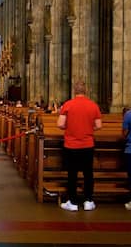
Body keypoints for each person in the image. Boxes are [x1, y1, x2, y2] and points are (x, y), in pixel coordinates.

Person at [56, 81, 102, 212]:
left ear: (74, 91)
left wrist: (70, 127)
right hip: (87, 144)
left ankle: (73, 202)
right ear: (86, 90)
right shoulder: (93, 105)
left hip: (71, 145)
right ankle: (88, 201)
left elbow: (60, 124)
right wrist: (88, 128)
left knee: (72, 173)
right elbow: (98, 125)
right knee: (88, 173)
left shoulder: (68, 105)